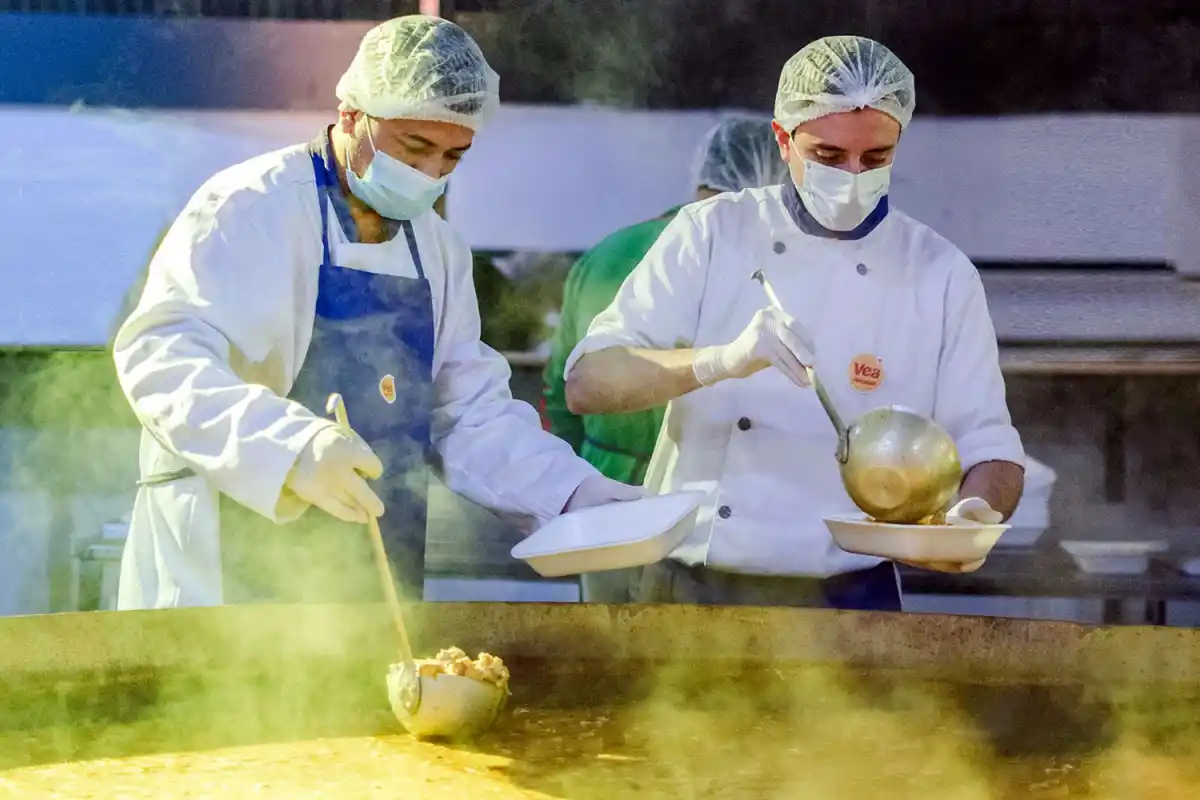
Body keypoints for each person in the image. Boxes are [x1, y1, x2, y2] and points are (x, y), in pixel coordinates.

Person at [112, 16, 641, 611]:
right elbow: (161, 356)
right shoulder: (251, 207)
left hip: (372, 562)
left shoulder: (437, 249)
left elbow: (467, 413)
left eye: (453, 156)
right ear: (351, 115)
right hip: (228, 550)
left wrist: (573, 493)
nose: (430, 174)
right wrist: (292, 448)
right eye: (414, 148)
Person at [563, 36, 1025, 611]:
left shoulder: (941, 272)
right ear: (784, 141)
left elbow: (990, 444)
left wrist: (975, 515)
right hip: (696, 586)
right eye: (829, 157)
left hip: (853, 593)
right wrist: (717, 361)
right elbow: (587, 383)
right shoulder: (712, 232)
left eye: (876, 158)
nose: (853, 176)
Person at [542, 116, 787, 603]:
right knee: (682, 667)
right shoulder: (758, 265)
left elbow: (559, 390)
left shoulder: (606, 251)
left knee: (603, 662)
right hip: (696, 511)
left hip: (601, 503)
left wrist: (581, 478)